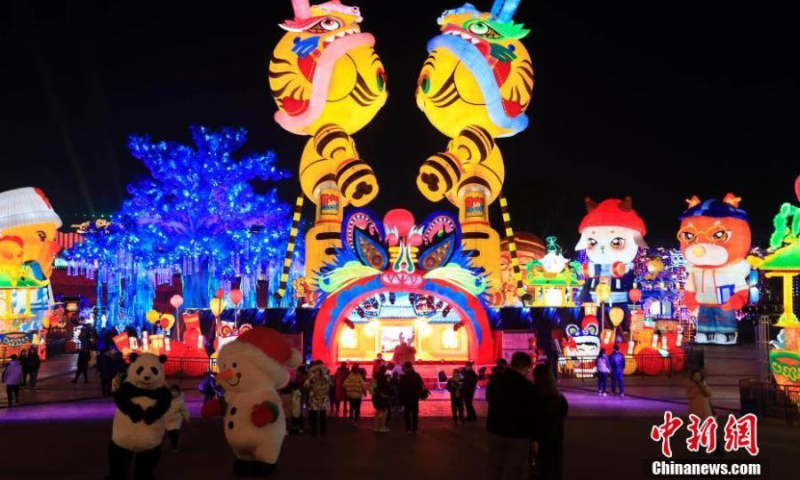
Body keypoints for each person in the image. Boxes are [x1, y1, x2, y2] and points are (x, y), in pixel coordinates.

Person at [486, 352, 536, 480]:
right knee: (515, 469)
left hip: (496, 429)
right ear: (527, 368)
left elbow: (489, 399)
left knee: (494, 467)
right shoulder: (527, 386)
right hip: (518, 433)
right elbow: (531, 412)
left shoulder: (495, 380)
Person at [533, 364, 568, 480]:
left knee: (540, 466)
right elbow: (563, 413)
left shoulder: (534, 395)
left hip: (539, 437)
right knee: (555, 465)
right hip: (555, 435)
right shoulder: (559, 397)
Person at [306, 364, 332, 436]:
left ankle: (317, 431)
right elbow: (331, 384)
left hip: (318, 399)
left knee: (318, 416)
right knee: (319, 416)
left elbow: (306, 386)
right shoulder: (322, 377)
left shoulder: (314, 378)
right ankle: (320, 431)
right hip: (317, 399)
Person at [398, 362, 424, 433]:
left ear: (406, 367)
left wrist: (400, 399)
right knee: (415, 413)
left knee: (407, 413)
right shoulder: (416, 375)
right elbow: (420, 385)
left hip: (406, 397)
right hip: (415, 397)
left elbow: (400, 389)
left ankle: (408, 428)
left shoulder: (404, 377)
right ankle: (415, 428)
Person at [165, 385, 190, 452]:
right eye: (172, 391)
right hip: (167, 419)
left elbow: (184, 410)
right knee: (170, 433)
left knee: (174, 433)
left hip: (176, 420)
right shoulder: (166, 400)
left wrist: (186, 416)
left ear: (179, 392)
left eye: (175, 391)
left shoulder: (180, 402)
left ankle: (175, 446)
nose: (174, 392)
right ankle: (175, 442)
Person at [371, 365, 391, 432]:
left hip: (376, 396)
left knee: (377, 412)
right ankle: (382, 426)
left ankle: (376, 426)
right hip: (383, 396)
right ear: (384, 370)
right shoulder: (383, 378)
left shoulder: (376, 377)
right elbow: (385, 387)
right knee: (384, 412)